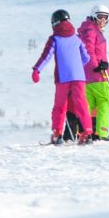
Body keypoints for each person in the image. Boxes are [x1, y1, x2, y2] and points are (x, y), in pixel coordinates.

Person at [32, 9, 94, 144]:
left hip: (63, 77)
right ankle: (87, 132)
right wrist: (76, 66)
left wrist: (37, 70)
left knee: (60, 106)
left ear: (54, 23)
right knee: (82, 104)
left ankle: (57, 134)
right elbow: (86, 58)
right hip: (79, 77)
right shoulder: (76, 38)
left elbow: (46, 57)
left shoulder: (55, 39)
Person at [77, 3, 109, 140]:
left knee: (90, 104)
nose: (103, 21)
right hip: (98, 74)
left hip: (86, 75)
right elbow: (89, 50)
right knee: (103, 102)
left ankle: (87, 132)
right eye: (100, 17)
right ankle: (102, 133)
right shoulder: (92, 31)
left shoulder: (85, 30)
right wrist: (98, 65)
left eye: (106, 18)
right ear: (93, 16)